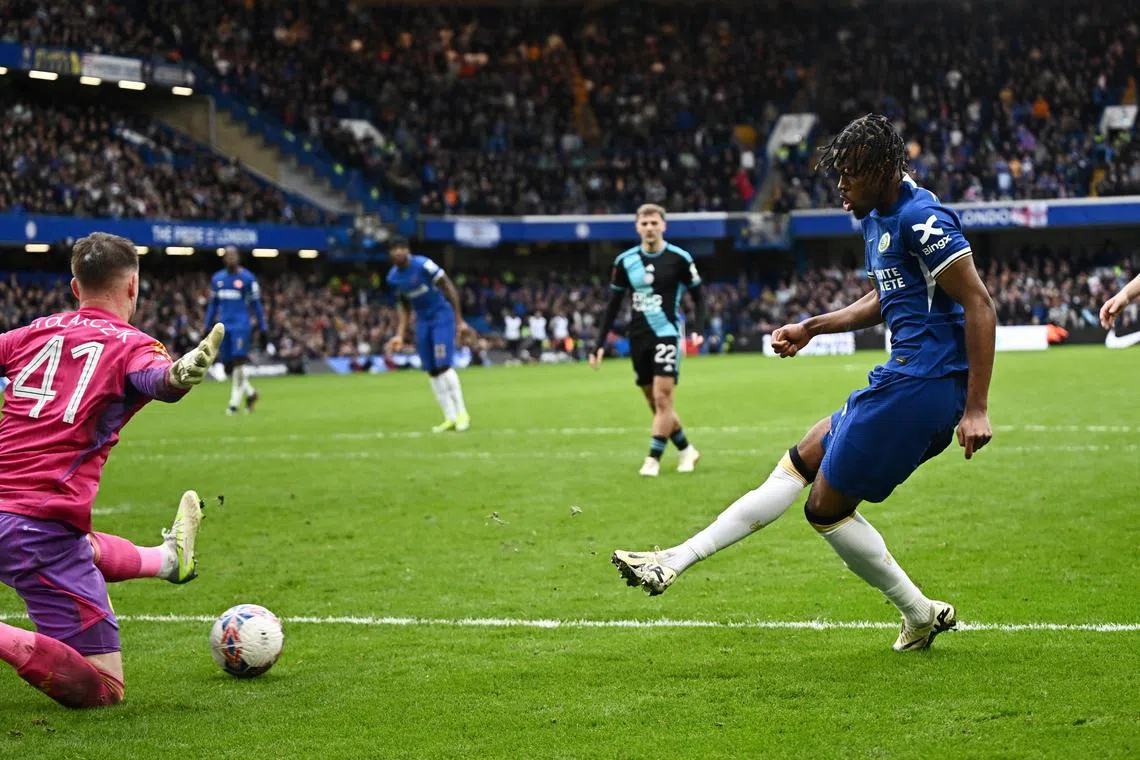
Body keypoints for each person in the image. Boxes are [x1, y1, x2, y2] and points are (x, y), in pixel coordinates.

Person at [613, 115, 997, 651]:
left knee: (825, 509)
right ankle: (675, 560)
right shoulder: (876, 218)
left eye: (849, 175)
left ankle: (918, 613)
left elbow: (979, 302)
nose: (840, 186)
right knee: (798, 460)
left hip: (923, 385)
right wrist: (812, 327)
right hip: (902, 380)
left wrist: (976, 407)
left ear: (881, 170)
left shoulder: (921, 217)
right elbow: (887, 297)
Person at [0, 232, 223, 707]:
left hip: (20, 519)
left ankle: (169, 560)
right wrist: (178, 375)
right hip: (37, 528)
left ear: (75, 287)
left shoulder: (33, 332)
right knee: (104, 689)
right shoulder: (135, 345)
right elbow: (158, 380)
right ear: (133, 286)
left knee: (77, 545)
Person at [590, 204, 706, 477]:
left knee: (662, 398)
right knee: (655, 403)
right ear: (637, 227)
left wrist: (698, 328)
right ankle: (686, 449)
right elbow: (613, 304)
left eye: (654, 223)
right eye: (645, 223)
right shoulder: (625, 261)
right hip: (638, 337)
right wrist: (598, 343)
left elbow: (699, 296)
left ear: (663, 225)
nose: (650, 228)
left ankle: (653, 459)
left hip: (666, 333)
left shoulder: (679, 258)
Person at [384, 238, 473, 432]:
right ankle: (449, 418)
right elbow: (404, 306)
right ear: (390, 253)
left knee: (443, 365)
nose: (398, 252)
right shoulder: (393, 278)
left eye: (401, 248)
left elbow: (447, 286)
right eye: (394, 249)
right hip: (422, 321)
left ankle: (462, 413)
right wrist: (400, 334)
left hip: (441, 316)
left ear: (408, 250)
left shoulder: (423, 264)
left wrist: (459, 320)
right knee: (431, 370)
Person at [204, 246, 268, 415]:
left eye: (234, 255)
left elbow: (256, 304)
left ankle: (233, 404)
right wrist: (206, 325)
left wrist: (263, 328)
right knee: (228, 367)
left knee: (239, 360)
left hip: (241, 326)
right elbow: (213, 305)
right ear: (224, 258)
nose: (231, 258)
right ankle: (251, 393)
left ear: (238, 258)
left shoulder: (248, 278)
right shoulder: (217, 279)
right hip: (224, 327)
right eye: (228, 256)